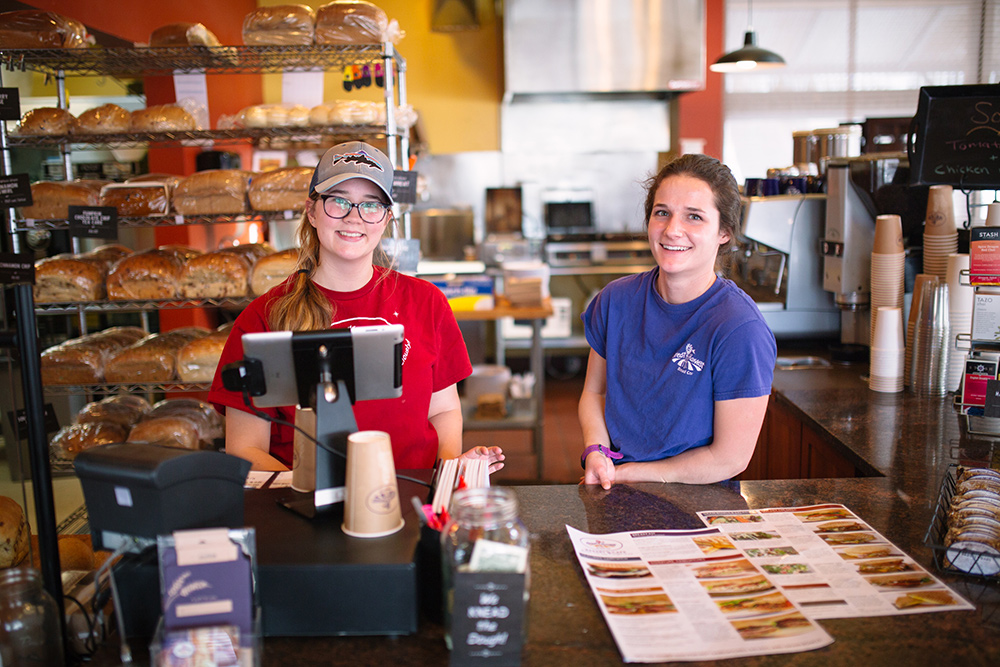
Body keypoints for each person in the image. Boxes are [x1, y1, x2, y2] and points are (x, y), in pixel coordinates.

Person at [208, 141, 503, 474]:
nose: (354, 217)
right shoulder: (264, 317)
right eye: (339, 201)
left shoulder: (426, 302)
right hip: (305, 510)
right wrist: (316, 494)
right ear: (312, 210)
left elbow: (444, 412)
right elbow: (245, 448)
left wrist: (449, 471)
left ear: (387, 218)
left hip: (413, 498)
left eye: (371, 205)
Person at [579, 153, 776, 488]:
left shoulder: (739, 329)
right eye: (662, 213)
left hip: (699, 505)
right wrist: (596, 451)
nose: (672, 230)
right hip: (613, 489)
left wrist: (632, 474)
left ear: (724, 231)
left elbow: (730, 457)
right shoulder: (615, 301)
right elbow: (594, 393)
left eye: (694, 217)